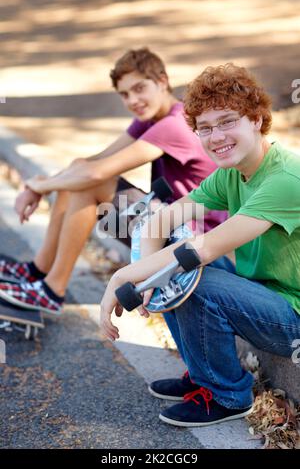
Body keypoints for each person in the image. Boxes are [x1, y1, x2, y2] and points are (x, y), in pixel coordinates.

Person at [99, 63, 300, 427]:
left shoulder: (285, 178)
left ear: (256, 119)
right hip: (263, 294)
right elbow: (161, 221)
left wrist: (122, 279)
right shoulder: (232, 173)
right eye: (204, 128)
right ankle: (202, 370)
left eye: (227, 121)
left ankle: (227, 396)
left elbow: (201, 252)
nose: (216, 136)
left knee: (191, 271)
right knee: (173, 263)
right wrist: (148, 285)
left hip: (293, 316)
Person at [0, 48, 224, 315]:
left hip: (195, 244)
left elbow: (95, 174)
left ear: (162, 81)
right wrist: (44, 183)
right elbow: (89, 163)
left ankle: (51, 290)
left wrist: (39, 187)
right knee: (79, 174)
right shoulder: (151, 119)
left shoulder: (175, 123)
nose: (133, 100)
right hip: (167, 227)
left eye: (139, 88)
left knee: (91, 183)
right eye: (125, 94)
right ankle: (39, 271)